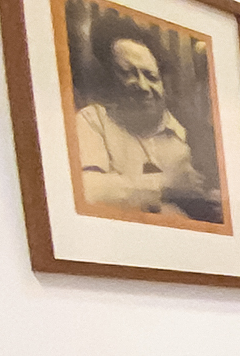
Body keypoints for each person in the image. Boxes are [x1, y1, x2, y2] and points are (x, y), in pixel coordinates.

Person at [73, 22, 218, 220]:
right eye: (128, 74)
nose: (142, 86)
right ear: (110, 78)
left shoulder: (195, 133)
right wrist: (166, 187)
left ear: (163, 82)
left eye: (151, 76)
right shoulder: (93, 120)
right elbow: (87, 189)